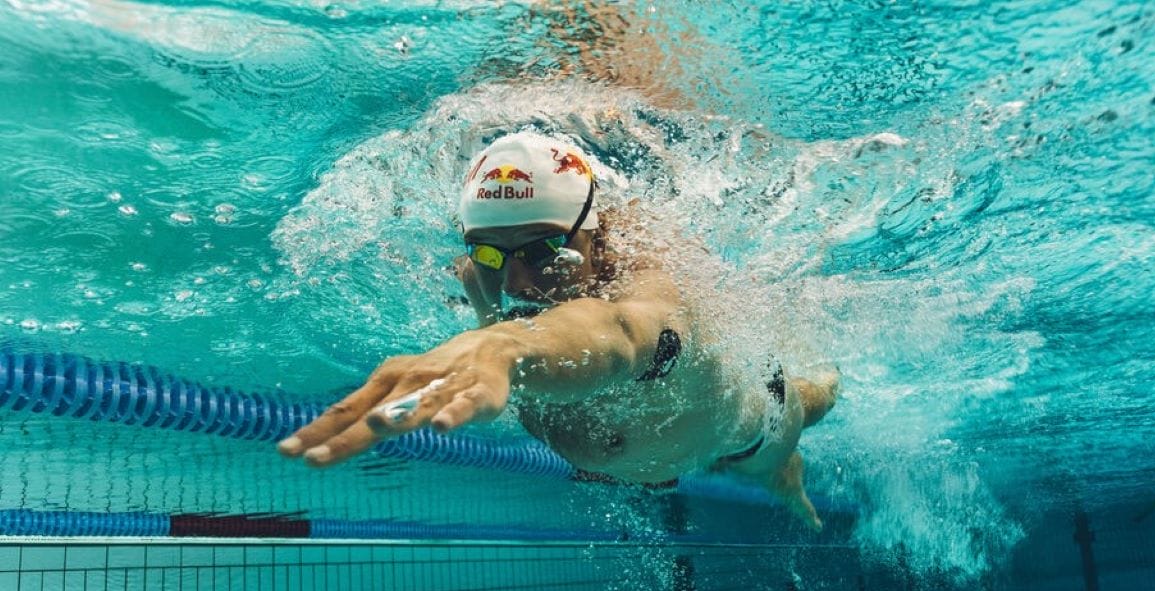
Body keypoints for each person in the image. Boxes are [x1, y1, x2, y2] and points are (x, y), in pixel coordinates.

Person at [277, 131, 838, 530]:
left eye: (545, 250)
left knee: (802, 423)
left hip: (748, 432)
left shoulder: (652, 277)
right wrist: (487, 323)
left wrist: (505, 344)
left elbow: (621, 332)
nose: (520, 278)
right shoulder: (486, 283)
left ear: (593, 232)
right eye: (490, 253)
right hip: (651, 454)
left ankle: (790, 471)